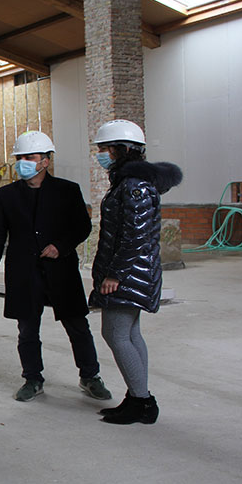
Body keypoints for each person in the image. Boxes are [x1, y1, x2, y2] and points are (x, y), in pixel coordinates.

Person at [0, 131, 112, 403]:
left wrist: (60, 246)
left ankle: (90, 376)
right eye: (20, 158)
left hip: (60, 270)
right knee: (27, 328)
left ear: (45, 161)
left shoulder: (67, 190)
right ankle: (32, 378)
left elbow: (81, 226)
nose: (23, 163)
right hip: (24, 271)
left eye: (30, 157)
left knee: (77, 324)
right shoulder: (6, 195)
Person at [89, 119, 182, 425]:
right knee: (129, 333)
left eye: (106, 149)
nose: (102, 154)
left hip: (129, 273)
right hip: (133, 271)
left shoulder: (134, 186)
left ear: (123, 150)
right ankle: (137, 395)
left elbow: (135, 236)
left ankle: (142, 401)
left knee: (115, 334)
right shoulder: (127, 183)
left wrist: (114, 274)